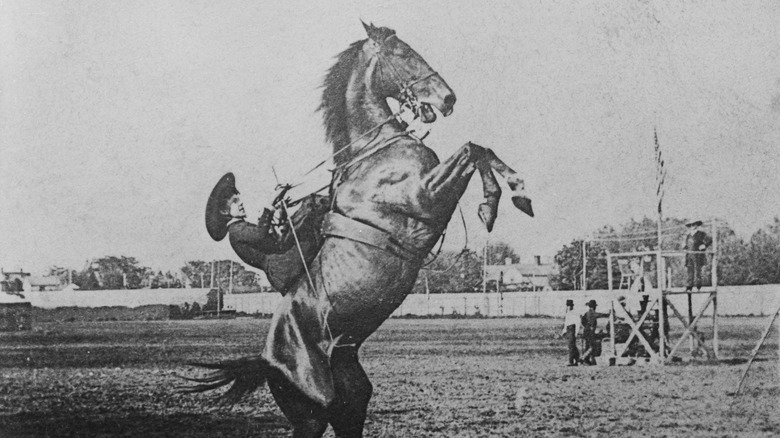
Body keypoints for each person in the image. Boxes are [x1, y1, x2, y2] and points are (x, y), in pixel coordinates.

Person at [206, 173, 329, 293]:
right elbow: (261, 235)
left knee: (309, 207)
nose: (241, 203)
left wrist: (281, 213)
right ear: (223, 210)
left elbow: (273, 240)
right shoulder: (235, 231)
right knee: (312, 209)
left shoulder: (240, 227)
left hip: (281, 265)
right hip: (282, 267)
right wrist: (271, 203)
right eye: (235, 201)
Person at [683, 220, 712, 291]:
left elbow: (710, 239)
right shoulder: (688, 235)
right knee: (690, 271)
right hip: (689, 255)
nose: (692, 227)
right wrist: (684, 247)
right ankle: (689, 287)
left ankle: (698, 286)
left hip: (698, 255)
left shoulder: (701, 234)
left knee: (697, 271)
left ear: (696, 225)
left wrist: (704, 245)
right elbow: (686, 245)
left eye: (693, 225)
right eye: (690, 225)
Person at [580, 299, 609, 365]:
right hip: (589, 331)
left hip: (587, 331)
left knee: (588, 346)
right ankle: (583, 358)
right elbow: (599, 315)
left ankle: (586, 360)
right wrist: (608, 314)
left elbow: (582, 320)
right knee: (592, 346)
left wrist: (586, 326)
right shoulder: (592, 312)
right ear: (594, 307)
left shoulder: (587, 313)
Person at [560, 299, 581, 366]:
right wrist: (564, 331)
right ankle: (577, 360)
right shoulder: (568, 313)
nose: (569, 307)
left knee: (571, 346)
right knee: (572, 345)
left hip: (572, 329)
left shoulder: (575, 313)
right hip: (568, 329)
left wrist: (576, 332)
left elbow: (578, 323)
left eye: (570, 305)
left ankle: (571, 361)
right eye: (568, 306)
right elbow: (566, 323)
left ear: (572, 306)